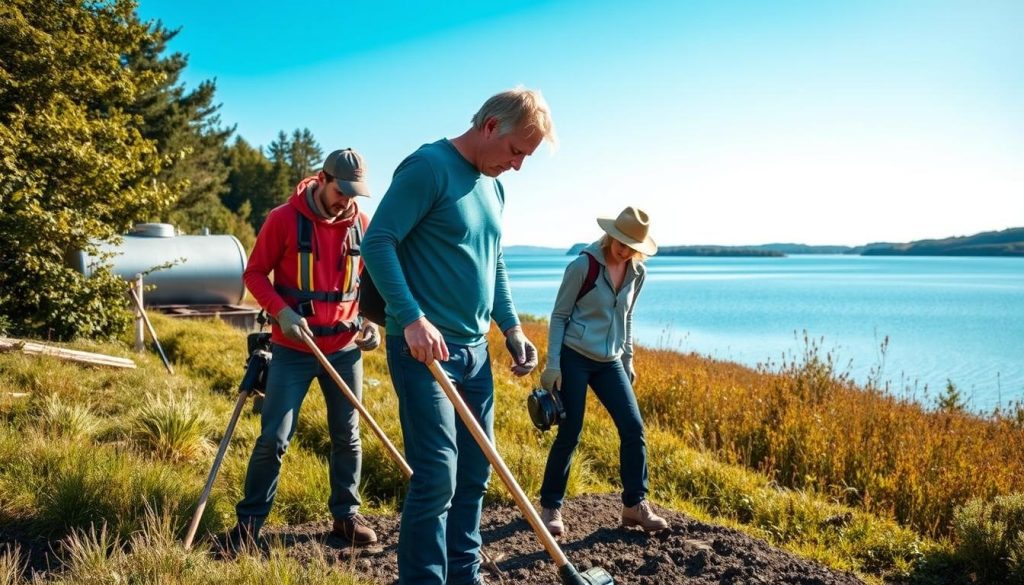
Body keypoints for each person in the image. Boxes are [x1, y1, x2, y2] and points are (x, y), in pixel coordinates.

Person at [361, 87, 556, 585]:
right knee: (437, 475)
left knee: (476, 472)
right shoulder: (428, 168)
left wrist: (510, 328)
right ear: (491, 126)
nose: (517, 166)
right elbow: (378, 241)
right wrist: (410, 318)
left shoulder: (495, 186)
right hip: (424, 351)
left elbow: (494, 261)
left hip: (474, 353)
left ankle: (463, 575)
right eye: (516, 152)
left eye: (526, 158)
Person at [228, 148, 381, 548]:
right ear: (321, 178)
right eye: (341, 190)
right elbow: (254, 273)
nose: (346, 200)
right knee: (273, 438)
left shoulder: (362, 226)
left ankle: (345, 518)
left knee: (348, 437)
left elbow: (367, 286)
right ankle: (248, 525)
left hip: (345, 351)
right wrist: (281, 313)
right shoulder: (283, 219)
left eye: (353, 193)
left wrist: (369, 324)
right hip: (294, 349)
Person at [538, 206, 669, 537]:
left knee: (633, 428)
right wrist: (553, 363)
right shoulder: (583, 265)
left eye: (631, 245)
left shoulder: (637, 273)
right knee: (571, 431)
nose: (623, 250)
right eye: (620, 241)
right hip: (574, 356)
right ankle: (551, 506)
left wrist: (628, 360)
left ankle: (634, 505)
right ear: (611, 234)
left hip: (610, 361)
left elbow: (626, 317)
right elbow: (558, 316)